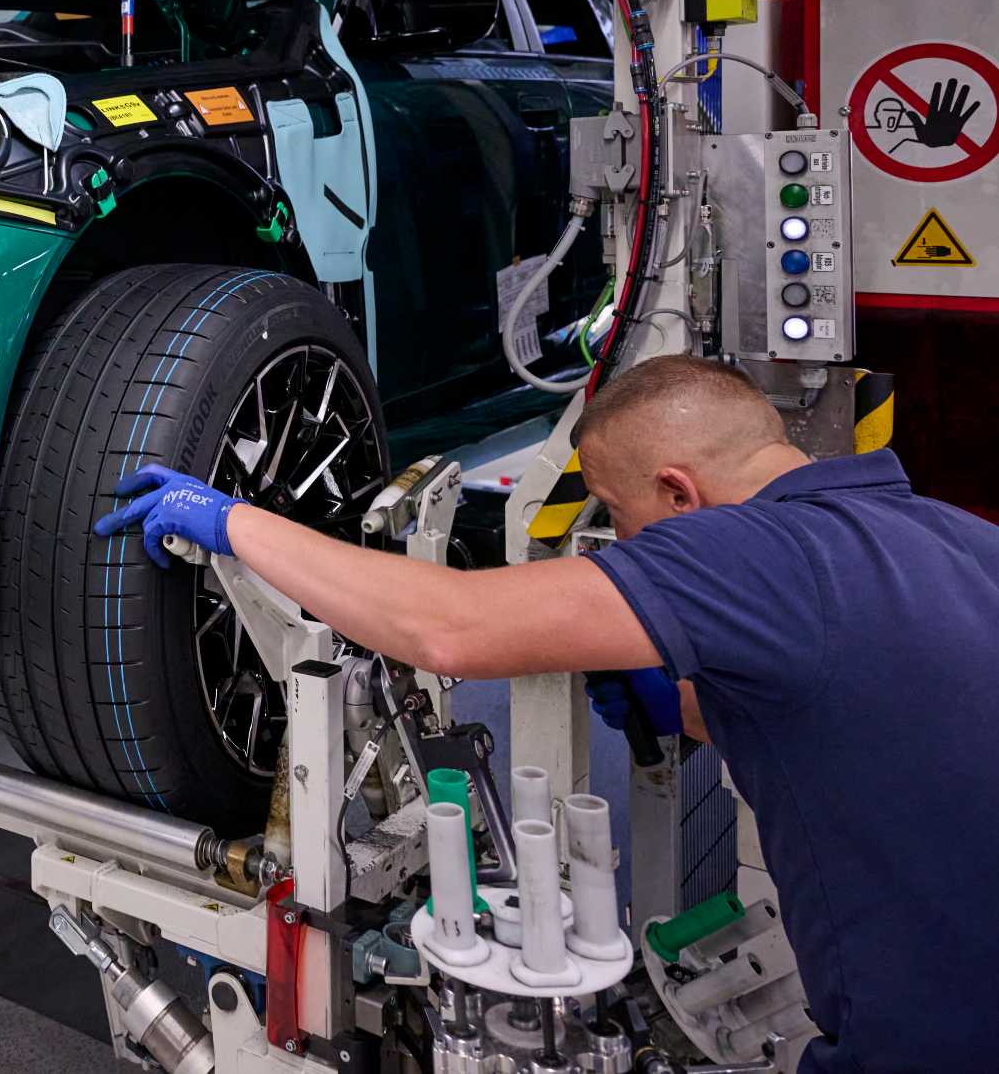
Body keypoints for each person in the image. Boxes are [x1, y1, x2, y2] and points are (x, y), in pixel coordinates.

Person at [94, 354, 998, 1073]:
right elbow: (868, 714)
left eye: (618, 512)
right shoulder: (957, 539)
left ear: (680, 494)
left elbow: (446, 627)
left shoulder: (749, 548)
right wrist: (688, 700)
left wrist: (231, 522)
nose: (626, 539)